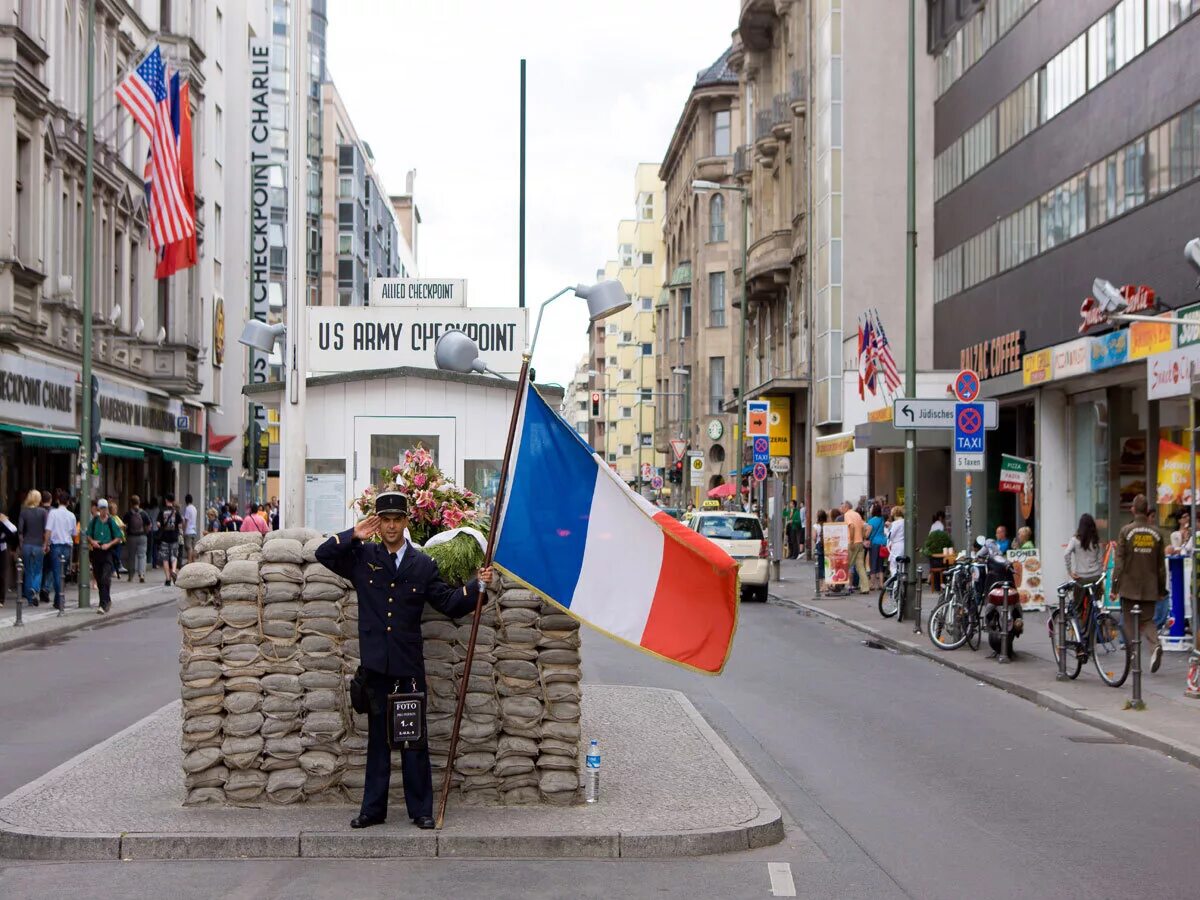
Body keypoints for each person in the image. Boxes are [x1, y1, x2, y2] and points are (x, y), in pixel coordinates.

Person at [315, 491, 493, 830]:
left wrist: (476, 587)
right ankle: (373, 810)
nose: (392, 526)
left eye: (398, 520)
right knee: (378, 741)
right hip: (376, 666)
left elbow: (449, 603)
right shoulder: (362, 557)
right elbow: (323, 554)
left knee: (413, 739)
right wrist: (354, 534)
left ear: (406, 522)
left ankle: (420, 810)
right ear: (378, 523)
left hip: (408, 667)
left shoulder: (422, 565)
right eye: (386, 520)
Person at [1112, 494, 1166, 675]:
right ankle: (1155, 646)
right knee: (1148, 621)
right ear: (1147, 510)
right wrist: (1161, 589)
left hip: (1129, 586)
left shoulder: (1126, 531)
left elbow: (1119, 562)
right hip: (1150, 586)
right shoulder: (1157, 533)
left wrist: (1114, 586)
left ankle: (1133, 659)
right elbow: (1160, 566)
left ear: (1133, 509)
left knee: (1128, 623)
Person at [86, 499, 122, 613]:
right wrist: (92, 542)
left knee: (105, 577)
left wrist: (109, 544)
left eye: (105, 508)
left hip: (107, 552)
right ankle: (106, 600)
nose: (103, 511)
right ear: (98, 509)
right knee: (98, 577)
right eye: (101, 508)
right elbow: (88, 534)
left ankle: (103, 604)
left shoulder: (111, 522)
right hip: (96, 551)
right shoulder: (94, 521)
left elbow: (118, 537)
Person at [43, 492, 76, 612]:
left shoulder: (53, 513)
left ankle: (60, 598)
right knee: (62, 573)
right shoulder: (72, 515)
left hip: (56, 545)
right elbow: (74, 533)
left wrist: (45, 544)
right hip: (67, 546)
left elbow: (48, 530)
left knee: (57, 573)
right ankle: (59, 599)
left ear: (57, 501)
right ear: (68, 502)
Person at [1064, 513, 1104, 608]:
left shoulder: (1075, 540)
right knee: (1094, 605)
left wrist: (1070, 571)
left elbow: (1066, 554)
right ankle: (1093, 621)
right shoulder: (1096, 540)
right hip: (1095, 577)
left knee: (1078, 606)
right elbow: (1100, 559)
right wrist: (1100, 572)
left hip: (1081, 578)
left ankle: (1079, 621)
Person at [17, 489, 47, 607]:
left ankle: (30, 598)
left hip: (27, 545)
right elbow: (46, 530)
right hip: (38, 544)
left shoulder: (23, 512)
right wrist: (46, 544)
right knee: (38, 569)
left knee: (28, 570)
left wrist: (21, 544)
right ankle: (35, 588)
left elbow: (20, 530)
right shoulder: (43, 512)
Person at [840, 501, 870, 595]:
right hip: (860, 542)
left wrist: (852, 540)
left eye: (842, 507)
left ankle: (842, 585)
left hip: (852, 543)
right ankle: (865, 587)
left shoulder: (847, 515)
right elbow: (864, 527)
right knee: (860, 566)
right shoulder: (857, 514)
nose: (841, 509)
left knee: (847, 564)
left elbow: (851, 527)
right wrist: (863, 537)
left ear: (846, 507)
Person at [123, 496, 151, 583]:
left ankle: (131, 576)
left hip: (131, 537)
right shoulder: (144, 513)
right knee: (142, 555)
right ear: (139, 502)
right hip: (142, 537)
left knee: (131, 556)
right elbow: (149, 525)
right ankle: (142, 574)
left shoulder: (128, 514)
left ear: (131, 503)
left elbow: (124, 525)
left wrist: (126, 533)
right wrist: (145, 532)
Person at [156, 494, 182, 586]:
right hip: (174, 537)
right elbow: (180, 525)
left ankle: (167, 579)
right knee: (174, 556)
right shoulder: (176, 512)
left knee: (165, 558)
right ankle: (174, 571)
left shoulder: (162, 511)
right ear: (173, 501)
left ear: (166, 500)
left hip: (164, 537)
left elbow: (158, 524)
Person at [866, 502, 887, 590]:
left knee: (873, 563)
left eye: (871, 508)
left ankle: (872, 584)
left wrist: (865, 536)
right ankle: (881, 584)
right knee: (880, 564)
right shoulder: (882, 519)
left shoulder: (871, 521)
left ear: (873, 510)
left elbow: (868, 533)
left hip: (874, 543)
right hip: (882, 543)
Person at [886, 507, 906, 575]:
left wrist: (888, 529)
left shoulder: (896, 523)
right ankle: (902, 582)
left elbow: (890, 536)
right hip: (903, 545)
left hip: (896, 546)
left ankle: (895, 583)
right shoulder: (905, 522)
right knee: (902, 565)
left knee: (893, 566)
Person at [183, 493, 199, 564]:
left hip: (188, 530)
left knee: (188, 547)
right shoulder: (194, 508)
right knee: (193, 547)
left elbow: (186, 520)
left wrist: (184, 530)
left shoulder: (188, 508)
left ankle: (189, 561)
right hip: (194, 530)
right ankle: (193, 560)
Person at [814, 509, 827, 589]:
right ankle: (826, 585)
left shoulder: (816, 526)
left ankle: (820, 585)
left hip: (819, 545)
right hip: (826, 545)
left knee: (820, 565)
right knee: (826, 565)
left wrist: (815, 541)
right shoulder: (827, 524)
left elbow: (814, 537)